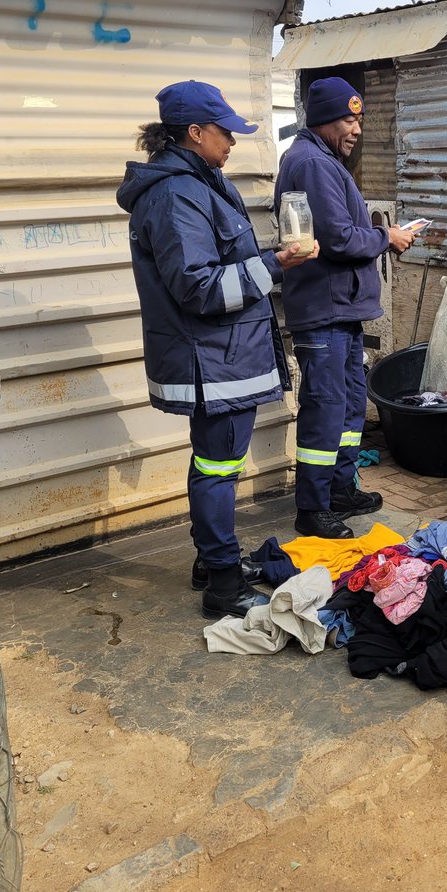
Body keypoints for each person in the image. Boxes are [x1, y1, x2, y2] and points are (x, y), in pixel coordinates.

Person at [116, 80, 317, 618]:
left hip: (220, 354)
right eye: (224, 131)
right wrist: (278, 264)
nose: (232, 141)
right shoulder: (178, 192)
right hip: (212, 359)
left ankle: (212, 559)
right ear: (195, 132)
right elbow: (199, 286)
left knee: (212, 463)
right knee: (218, 467)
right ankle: (223, 583)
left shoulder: (199, 181)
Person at [275, 77, 416, 540]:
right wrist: (387, 238)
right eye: (348, 119)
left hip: (342, 309)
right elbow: (336, 238)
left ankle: (339, 488)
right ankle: (312, 507)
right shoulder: (312, 163)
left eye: (359, 119)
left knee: (352, 402)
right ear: (323, 120)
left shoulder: (323, 160)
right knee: (326, 407)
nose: (356, 129)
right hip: (324, 308)